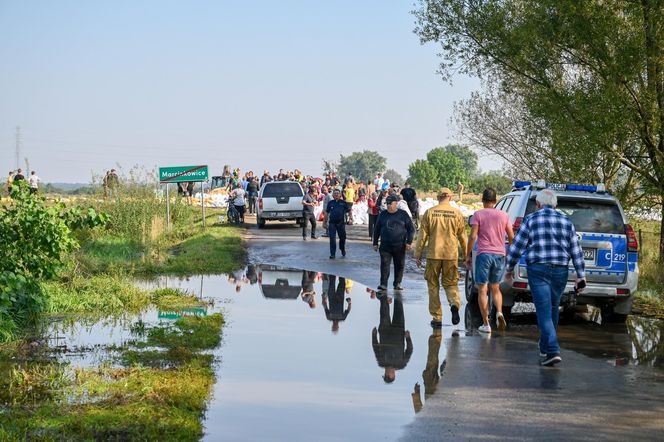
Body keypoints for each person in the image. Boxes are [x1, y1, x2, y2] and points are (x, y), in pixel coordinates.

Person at [505, 188, 586, 367]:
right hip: (560, 271)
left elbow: (517, 247)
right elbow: (576, 250)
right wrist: (581, 275)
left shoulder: (531, 220)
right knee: (552, 308)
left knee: (543, 310)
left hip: (538, 270)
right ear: (555, 205)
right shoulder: (566, 221)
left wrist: (509, 269)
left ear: (538, 204)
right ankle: (544, 346)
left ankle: (552, 350)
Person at [414, 188, 468, 328]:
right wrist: (467, 255)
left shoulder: (430, 213)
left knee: (433, 285)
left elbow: (422, 237)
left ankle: (437, 317)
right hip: (451, 255)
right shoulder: (457, 213)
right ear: (450, 197)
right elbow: (463, 237)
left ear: (438, 197)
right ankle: (454, 304)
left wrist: (418, 254)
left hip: (434, 254)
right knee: (451, 283)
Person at [464, 188, 515, 333]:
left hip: (484, 254)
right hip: (500, 255)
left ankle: (486, 324)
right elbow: (511, 237)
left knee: (482, 289)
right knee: (496, 287)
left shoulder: (478, 214)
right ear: (495, 200)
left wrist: (468, 255)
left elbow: (473, 236)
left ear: (483, 200)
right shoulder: (504, 215)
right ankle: (499, 312)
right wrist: (511, 254)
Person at [373, 195, 415, 292]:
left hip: (399, 246)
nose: (388, 206)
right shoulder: (382, 214)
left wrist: (409, 242)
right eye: (387, 204)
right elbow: (377, 229)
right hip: (385, 245)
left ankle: (397, 283)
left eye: (390, 204)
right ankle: (383, 284)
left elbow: (411, 229)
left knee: (399, 265)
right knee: (384, 264)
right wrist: (375, 243)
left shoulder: (403, 214)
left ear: (396, 203)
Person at [372, 295, 413, 383]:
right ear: (394, 375)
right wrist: (408, 338)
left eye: (386, 374)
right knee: (399, 307)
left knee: (384, 312)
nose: (387, 372)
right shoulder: (401, 364)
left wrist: (374, 335)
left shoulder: (381, 363)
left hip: (384, 331)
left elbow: (375, 348)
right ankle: (398, 291)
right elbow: (409, 350)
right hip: (399, 331)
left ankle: (383, 295)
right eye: (389, 374)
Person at [411, 329, 443, 413]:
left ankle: (436, 335)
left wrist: (417, 394)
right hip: (436, 400)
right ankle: (437, 336)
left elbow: (419, 414)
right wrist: (416, 395)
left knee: (431, 368)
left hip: (431, 398)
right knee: (433, 367)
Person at [325, 189, 352, 259]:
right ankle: (332, 254)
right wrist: (324, 222)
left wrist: (351, 218)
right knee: (332, 239)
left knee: (342, 238)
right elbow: (326, 213)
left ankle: (342, 248)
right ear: (333, 195)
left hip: (341, 223)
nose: (336, 195)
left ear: (340, 195)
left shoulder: (343, 203)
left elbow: (349, 211)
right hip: (332, 223)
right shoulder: (330, 203)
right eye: (335, 193)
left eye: (337, 193)